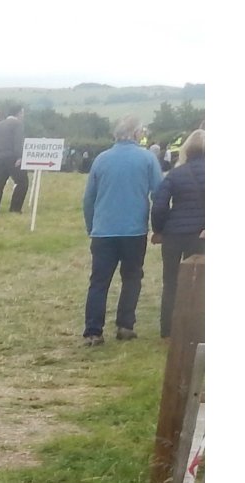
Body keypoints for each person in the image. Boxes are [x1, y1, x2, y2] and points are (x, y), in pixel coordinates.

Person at [81, 116, 163, 345]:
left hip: (103, 230)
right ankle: (125, 325)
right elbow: (159, 194)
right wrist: (159, 227)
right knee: (132, 278)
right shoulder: (148, 159)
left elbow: (89, 198)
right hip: (134, 230)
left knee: (98, 281)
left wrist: (91, 226)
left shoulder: (101, 159)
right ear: (137, 134)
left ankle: (93, 331)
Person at [151, 129, 205, 338]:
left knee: (171, 282)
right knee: (200, 281)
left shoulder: (175, 174)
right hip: (201, 234)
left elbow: (159, 205)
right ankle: (197, 330)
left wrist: (159, 230)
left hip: (174, 234)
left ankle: (167, 330)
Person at [0, 106, 29, 214]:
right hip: (12, 157)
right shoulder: (18, 124)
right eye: (22, 113)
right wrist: (20, 156)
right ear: (18, 113)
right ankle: (15, 209)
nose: (23, 116)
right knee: (22, 182)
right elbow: (18, 141)